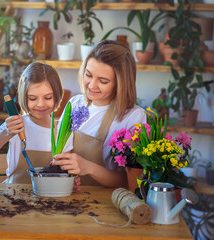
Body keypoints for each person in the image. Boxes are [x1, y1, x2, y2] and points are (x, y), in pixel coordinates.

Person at [52, 40, 147, 187]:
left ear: (121, 84)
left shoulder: (133, 116)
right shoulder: (74, 104)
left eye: (103, 81)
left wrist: (88, 168)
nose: (91, 85)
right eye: (88, 75)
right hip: (70, 197)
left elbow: (131, 182)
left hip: (108, 203)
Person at [0, 62, 73, 183]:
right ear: (23, 97)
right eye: (32, 98)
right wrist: (7, 132)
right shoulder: (16, 124)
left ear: (57, 96)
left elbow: (66, 170)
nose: (40, 104)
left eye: (47, 98)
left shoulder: (64, 131)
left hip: (51, 196)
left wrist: (72, 179)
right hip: (14, 194)